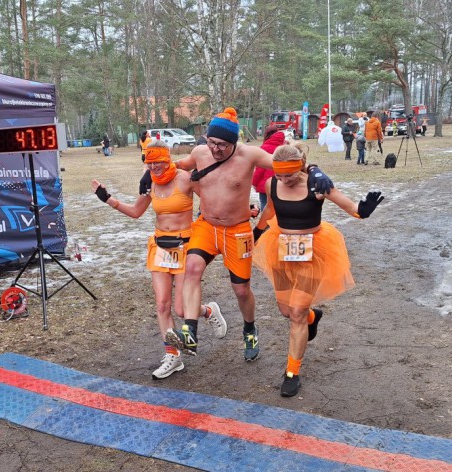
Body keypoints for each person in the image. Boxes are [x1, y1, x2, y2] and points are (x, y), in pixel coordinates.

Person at [164, 107, 335, 362]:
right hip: (207, 226)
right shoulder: (200, 152)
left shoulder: (250, 155)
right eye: (211, 142)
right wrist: (154, 172)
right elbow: (176, 166)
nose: (215, 149)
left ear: (234, 142)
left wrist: (315, 170)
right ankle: (190, 331)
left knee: (241, 290)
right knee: (192, 268)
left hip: (237, 230)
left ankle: (249, 329)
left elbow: (288, 164)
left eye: (221, 144)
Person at [251, 142, 383, 397]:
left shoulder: (318, 185)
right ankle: (314, 317)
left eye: (288, 175)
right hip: (280, 251)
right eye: (279, 175)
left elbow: (350, 207)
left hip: (313, 253)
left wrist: (363, 211)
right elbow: (269, 212)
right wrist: (256, 233)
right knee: (287, 311)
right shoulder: (272, 185)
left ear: (300, 167)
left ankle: (292, 372)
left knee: (297, 312)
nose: (283, 180)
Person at [91, 140, 226, 379]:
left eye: (159, 162)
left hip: (186, 246)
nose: (155, 167)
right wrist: (108, 198)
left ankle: (207, 311)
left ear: (168, 159)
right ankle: (172, 356)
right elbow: (136, 212)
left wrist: (240, 208)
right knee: (162, 305)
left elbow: (212, 197)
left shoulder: (185, 179)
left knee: (182, 308)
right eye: (149, 163)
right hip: (161, 248)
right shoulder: (150, 183)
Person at [252, 125, 286, 210]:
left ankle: (266, 222)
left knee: (265, 205)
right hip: (281, 183)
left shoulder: (264, 147)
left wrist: (255, 183)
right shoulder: (285, 146)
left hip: (265, 184)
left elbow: (260, 169)